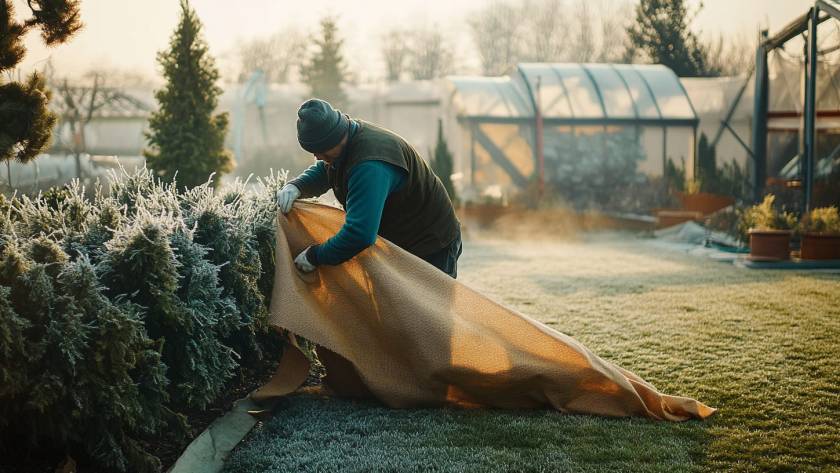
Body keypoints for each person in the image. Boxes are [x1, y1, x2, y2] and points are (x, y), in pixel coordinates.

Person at [276, 98, 462, 278]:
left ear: (334, 139)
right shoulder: (346, 138)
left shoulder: (370, 165)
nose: (317, 157)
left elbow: (360, 234)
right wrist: (298, 186)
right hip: (402, 242)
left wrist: (315, 256)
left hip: (431, 243)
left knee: (426, 308)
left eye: (321, 151)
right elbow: (327, 168)